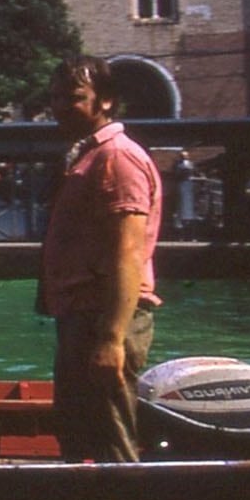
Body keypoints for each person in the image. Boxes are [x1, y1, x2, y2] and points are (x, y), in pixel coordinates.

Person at [39, 55, 163, 463]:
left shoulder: (116, 158)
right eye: (55, 97)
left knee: (110, 436)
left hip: (102, 318)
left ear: (106, 101)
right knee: (77, 430)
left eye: (73, 97)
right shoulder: (89, 155)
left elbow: (127, 251)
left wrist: (111, 339)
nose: (60, 106)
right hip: (82, 316)